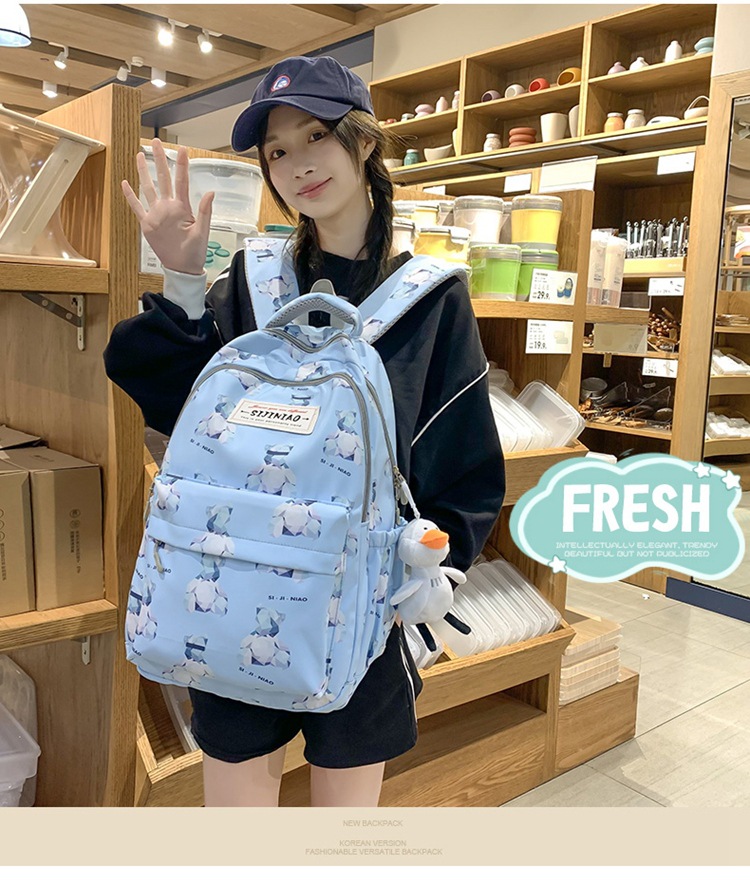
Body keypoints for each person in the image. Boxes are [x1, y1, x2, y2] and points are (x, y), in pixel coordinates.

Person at [104, 55, 505, 808]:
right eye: (278, 151)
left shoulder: (429, 299)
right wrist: (183, 278)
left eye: (316, 136)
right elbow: (182, 406)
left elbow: (463, 456)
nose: (298, 165)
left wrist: (439, 571)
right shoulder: (256, 281)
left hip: (366, 597)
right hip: (238, 582)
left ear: (364, 141)